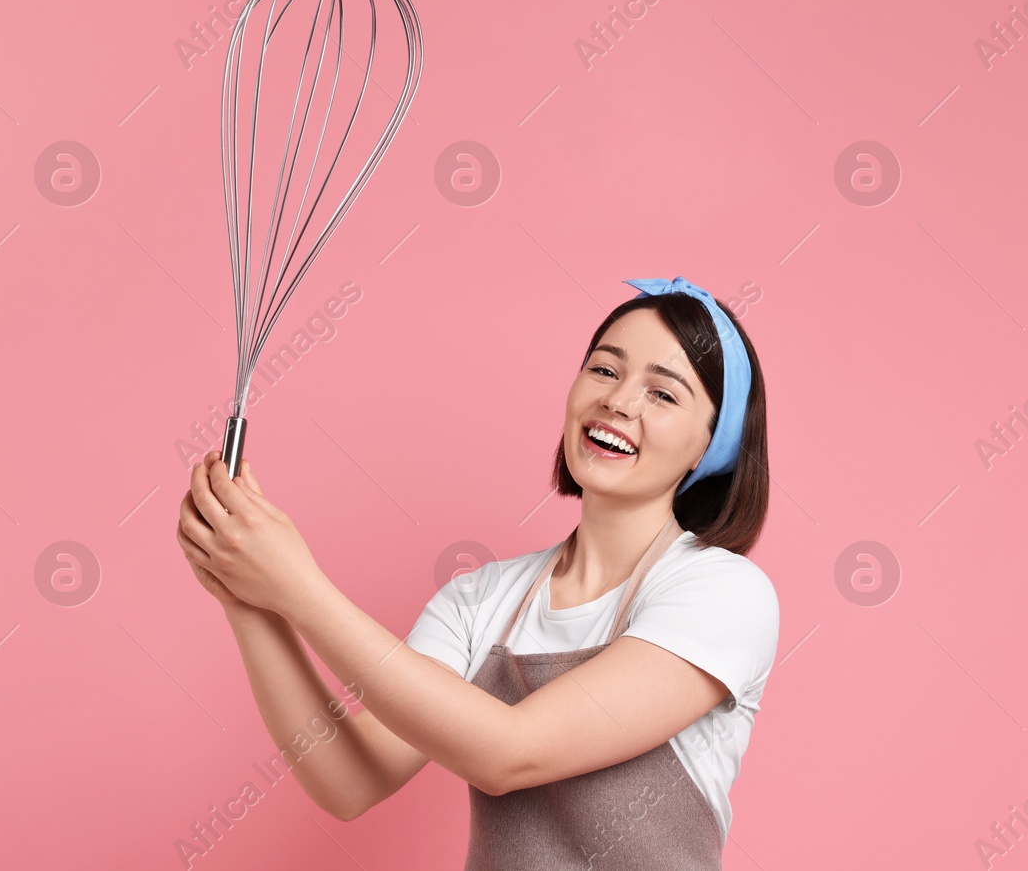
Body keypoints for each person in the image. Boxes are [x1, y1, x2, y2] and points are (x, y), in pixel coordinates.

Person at [175, 276, 779, 869]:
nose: (618, 402)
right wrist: (251, 599)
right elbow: (350, 779)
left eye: (664, 394)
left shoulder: (722, 593)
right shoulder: (479, 598)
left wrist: (298, 588)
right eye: (604, 369)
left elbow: (509, 753)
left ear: (710, 447)